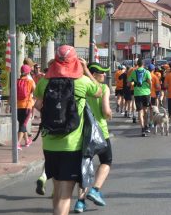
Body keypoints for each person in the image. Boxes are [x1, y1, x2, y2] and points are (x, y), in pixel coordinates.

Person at [33, 45, 102, 215]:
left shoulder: (44, 81)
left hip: (49, 144)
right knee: (65, 195)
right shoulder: (82, 81)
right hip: (71, 145)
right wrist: (86, 70)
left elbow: (37, 105)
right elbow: (99, 91)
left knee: (57, 189)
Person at [74, 62, 113, 213]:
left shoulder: (80, 85)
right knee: (106, 161)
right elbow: (105, 111)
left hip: (83, 133)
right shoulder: (103, 88)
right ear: (94, 74)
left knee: (84, 167)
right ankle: (95, 190)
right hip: (101, 132)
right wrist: (109, 114)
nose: (104, 75)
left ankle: (80, 202)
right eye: (101, 72)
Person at [127, 59, 151, 137]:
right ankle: (147, 126)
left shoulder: (134, 72)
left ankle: (142, 129)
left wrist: (133, 84)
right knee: (146, 110)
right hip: (146, 93)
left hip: (137, 93)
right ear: (143, 64)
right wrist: (149, 89)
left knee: (140, 112)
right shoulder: (147, 72)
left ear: (137, 64)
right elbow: (150, 82)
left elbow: (128, 83)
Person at [16, 64, 36, 150]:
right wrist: (34, 101)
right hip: (27, 105)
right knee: (23, 125)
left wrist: (8, 105)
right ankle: (17, 143)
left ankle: (27, 140)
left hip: (18, 106)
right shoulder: (30, 81)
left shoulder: (17, 81)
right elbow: (36, 92)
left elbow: (12, 93)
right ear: (28, 72)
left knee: (21, 124)